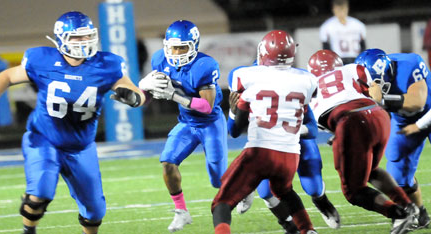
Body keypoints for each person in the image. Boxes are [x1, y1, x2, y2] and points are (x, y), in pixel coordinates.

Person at [0, 11, 150, 234]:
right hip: (44, 139)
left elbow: (136, 93)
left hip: (81, 147)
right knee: (40, 193)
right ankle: (29, 231)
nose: (84, 42)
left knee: (95, 211)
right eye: (77, 37)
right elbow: (6, 76)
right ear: (60, 39)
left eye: (87, 36)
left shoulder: (107, 65)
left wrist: (134, 97)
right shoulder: (42, 59)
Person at [211, 30, 318, 234]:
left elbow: (234, 131)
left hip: (259, 152)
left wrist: (233, 113)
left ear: (263, 53)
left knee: (221, 204)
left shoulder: (247, 76)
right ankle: (307, 229)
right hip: (289, 155)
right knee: (284, 190)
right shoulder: (307, 80)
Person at [308, 49, 419, 234]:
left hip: (350, 123)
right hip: (379, 116)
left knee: (354, 191)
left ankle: (397, 213)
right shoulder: (353, 68)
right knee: (370, 171)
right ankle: (408, 206)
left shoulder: (310, 91)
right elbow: (376, 91)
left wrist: (342, 133)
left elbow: (326, 121)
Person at [138, 20, 228, 233]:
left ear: (194, 45)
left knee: (218, 180)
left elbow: (206, 106)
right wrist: (136, 96)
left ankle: (242, 187)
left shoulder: (205, 65)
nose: (177, 52)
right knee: (168, 162)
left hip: (210, 124)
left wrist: (174, 96)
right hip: (187, 123)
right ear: (166, 44)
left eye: (182, 47)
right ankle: (182, 212)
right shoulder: (160, 59)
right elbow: (151, 94)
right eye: (173, 47)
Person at [227, 65, 340, 232]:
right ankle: (288, 223)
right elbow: (234, 132)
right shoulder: (249, 93)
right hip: (268, 146)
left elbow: (312, 131)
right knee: (266, 192)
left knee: (313, 188)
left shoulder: (292, 92)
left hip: (298, 142)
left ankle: (321, 201)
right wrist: (233, 111)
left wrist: (289, 129)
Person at [355, 48, 431, 229]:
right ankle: (420, 214)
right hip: (403, 121)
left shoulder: (410, 64)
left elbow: (418, 101)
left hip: (428, 111)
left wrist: (384, 99)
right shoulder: (363, 78)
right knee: (397, 176)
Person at [319, 0, 366, 64]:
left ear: (347, 8)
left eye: (343, 9)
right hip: (338, 60)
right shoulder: (327, 26)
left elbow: (363, 46)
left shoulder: (358, 25)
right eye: (338, 9)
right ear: (333, 10)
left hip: (356, 59)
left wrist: (362, 60)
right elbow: (326, 48)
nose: (341, 12)